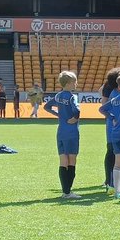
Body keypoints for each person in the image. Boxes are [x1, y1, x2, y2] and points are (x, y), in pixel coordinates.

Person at [44, 70, 82, 199]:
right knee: (72, 160)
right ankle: (68, 192)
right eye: (74, 81)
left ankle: (64, 191)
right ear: (70, 83)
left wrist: (58, 115)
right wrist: (75, 118)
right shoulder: (72, 97)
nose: (76, 84)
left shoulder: (58, 96)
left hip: (61, 131)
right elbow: (77, 110)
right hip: (72, 132)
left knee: (63, 160)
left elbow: (47, 107)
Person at [99, 68, 120, 191]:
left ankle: (110, 180)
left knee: (111, 151)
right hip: (117, 123)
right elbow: (104, 106)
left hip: (111, 123)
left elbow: (103, 104)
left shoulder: (108, 87)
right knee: (116, 152)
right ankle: (114, 182)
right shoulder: (116, 92)